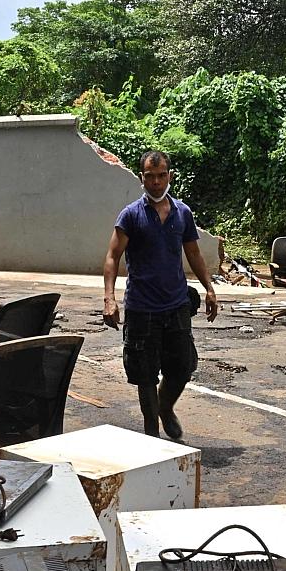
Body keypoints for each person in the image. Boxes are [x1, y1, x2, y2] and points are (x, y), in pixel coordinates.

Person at [102, 150, 218, 439]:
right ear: (142, 178)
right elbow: (112, 256)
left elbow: (193, 253)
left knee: (182, 367)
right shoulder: (131, 215)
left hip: (176, 305)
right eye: (150, 176)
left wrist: (209, 288)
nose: (156, 182)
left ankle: (165, 408)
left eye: (161, 176)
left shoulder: (182, 213)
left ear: (170, 176)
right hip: (142, 308)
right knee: (145, 375)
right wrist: (109, 298)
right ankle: (151, 433)